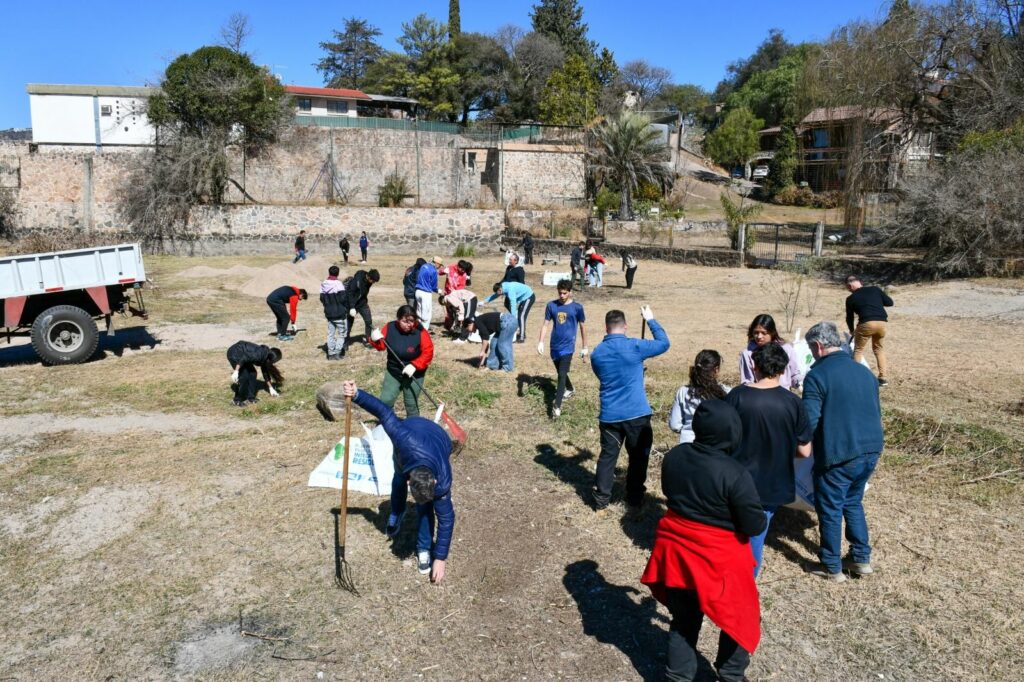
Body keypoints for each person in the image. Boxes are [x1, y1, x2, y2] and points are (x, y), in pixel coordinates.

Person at [641, 400, 767, 682]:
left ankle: (678, 677)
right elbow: (754, 524)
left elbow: (669, 492)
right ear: (733, 431)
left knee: (684, 619)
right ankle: (731, 674)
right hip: (718, 559)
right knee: (742, 616)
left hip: (676, 552)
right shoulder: (735, 473)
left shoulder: (675, 456)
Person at [341, 380, 454, 582]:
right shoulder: (402, 437)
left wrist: (440, 558)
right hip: (411, 435)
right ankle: (396, 510)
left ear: (435, 482)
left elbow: (446, 519)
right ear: (411, 482)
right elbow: (383, 412)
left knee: (425, 508)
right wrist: (357, 394)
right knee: (398, 477)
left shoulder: (443, 479)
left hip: (438, 439)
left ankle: (423, 548)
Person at [802, 321, 884, 582]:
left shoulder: (817, 376)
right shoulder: (864, 372)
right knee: (853, 501)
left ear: (818, 346)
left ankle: (831, 565)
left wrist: (797, 446)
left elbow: (809, 421)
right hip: (871, 449)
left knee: (830, 507)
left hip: (840, 454)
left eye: (811, 350)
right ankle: (860, 558)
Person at [725, 343, 812, 577]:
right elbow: (805, 451)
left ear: (755, 366)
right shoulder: (793, 402)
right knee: (756, 535)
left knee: (730, 533)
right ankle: (746, 583)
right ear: (783, 369)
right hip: (774, 483)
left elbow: (723, 439)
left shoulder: (737, 396)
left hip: (736, 481)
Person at [589, 306, 670, 511]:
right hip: (636, 414)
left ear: (606, 328)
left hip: (610, 415)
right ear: (625, 326)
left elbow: (604, 376)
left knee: (608, 457)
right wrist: (650, 320)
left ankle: (601, 500)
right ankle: (634, 498)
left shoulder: (597, 353)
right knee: (638, 457)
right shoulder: (635, 346)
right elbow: (664, 343)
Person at [368, 305, 434, 417]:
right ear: (398, 319)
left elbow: (428, 352)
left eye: (412, 321)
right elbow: (381, 346)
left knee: (411, 405)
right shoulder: (390, 327)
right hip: (394, 371)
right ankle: (387, 423)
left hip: (415, 374)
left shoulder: (420, 331)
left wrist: (414, 365)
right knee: (386, 401)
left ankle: (413, 425)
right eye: (405, 321)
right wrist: (374, 339)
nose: (409, 324)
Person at [537, 279, 587, 418]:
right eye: (560, 293)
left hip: (568, 347)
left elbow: (583, 327)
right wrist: (541, 341)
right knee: (560, 372)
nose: (562, 296)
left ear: (570, 292)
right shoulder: (551, 305)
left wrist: (585, 347)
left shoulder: (577, 308)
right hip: (554, 346)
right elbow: (545, 324)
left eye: (565, 293)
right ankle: (570, 388)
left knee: (561, 375)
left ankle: (556, 406)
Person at [669, 350, 729, 444]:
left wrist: (687, 430)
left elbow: (675, 425)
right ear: (716, 369)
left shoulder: (683, 392)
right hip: (716, 445)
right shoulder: (726, 392)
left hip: (688, 443)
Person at [845, 275, 894, 386]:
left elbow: (849, 317)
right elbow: (890, 302)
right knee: (879, 349)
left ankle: (856, 378)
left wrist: (852, 330)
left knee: (858, 350)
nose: (849, 290)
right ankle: (883, 378)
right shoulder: (875, 289)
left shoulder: (850, 298)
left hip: (866, 324)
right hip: (882, 323)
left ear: (850, 286)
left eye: (848, 288)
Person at [738, 314, 803, 390]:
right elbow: (747, 381)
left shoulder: (786, 349)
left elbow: (794, 375)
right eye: (756, 332)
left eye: (764, 333)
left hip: (783, 394)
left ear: (772, 333)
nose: (759, 336)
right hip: (759, 394)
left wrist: (800, 383)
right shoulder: (748, 354)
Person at [226, 341, 282, 406]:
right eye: (274, 361)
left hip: (244, 355)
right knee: (244, 376)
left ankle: (251, 397)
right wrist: (236, 371)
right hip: (234, 353)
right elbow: (243, 358)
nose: (274, 363)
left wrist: (271, 388)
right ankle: (236, 400)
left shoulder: (265, 358)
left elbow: (265, 373)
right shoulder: (259, 355)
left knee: (253, 373)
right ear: (270, 359)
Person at [344, 268, 380, 347]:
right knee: (349, 323)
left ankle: (368, 340)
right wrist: (352, 307)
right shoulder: (357, 281)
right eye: (373, 281)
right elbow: (350, 293)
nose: (373, 283)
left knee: (368, 321)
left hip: (362, 303)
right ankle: (345, 342)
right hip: (351, 304)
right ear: (369, 277)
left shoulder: (369, 280)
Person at [320, 265, 348, 361]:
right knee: (342, 334)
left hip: (329, 314)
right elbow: (343, 299)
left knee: (330, 334)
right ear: (338, 274)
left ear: (329, 273)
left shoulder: (323, 284)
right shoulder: (339, 284)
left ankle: (331, 354)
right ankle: (337, 352)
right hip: (339, 314)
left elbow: (321, 299)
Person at [415, 257, 443, 331]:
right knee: (426, 314)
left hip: (418, 291)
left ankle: (418, 329)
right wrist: (439, 291)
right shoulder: (433, 271)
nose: (440, 267)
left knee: (419, 312)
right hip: (426, 293)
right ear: (436, 263)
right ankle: (424, 331)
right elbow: (433, 287)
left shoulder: (423, 266)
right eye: (440, 265)